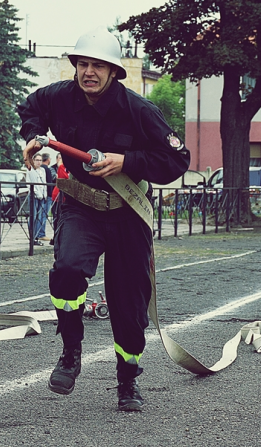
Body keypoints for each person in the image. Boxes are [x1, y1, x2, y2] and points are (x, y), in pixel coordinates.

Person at [18, 27, 190, 411]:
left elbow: (177, 160)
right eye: (82, 64)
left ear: (114, 71)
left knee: (129, 306)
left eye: (97, 65)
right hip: (80, 207)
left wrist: (127, 161)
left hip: (128, 213)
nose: (88, 72)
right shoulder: (59, 97)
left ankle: (128, 381)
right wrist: (32, 134)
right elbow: (30, 108)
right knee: (67, 270)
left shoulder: (140, 110)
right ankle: (70, 350)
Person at [26, 153, 48, 246]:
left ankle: (36, 236)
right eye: (37, 160)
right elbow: (29, 183)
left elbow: (45, 182)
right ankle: (32, 236)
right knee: (33, 216)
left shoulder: (42, 170)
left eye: (40, 160)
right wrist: (36, 192)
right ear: (33, 160)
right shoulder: (30, 170)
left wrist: (45, 194)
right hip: (34, 196)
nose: (39, 162)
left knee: (39, 217)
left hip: (42, 196)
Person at [50, 155, 67, 246]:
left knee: (61, 217)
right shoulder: (59, 167)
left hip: (64, 196)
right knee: (57, 217)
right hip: (58, 195)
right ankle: (56, 237)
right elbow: (62, 178)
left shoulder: (64, 167)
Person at [37, 153, 55, 241]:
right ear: (48, 159)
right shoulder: (46, 169)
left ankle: (37, 233)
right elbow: (49, 182)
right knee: (43, 215)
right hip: (46, 195)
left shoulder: (41, 169)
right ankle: (41, 233)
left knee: (39, 215)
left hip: (42, 194)